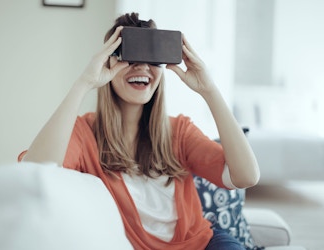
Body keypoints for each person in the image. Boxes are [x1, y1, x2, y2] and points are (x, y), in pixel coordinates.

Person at [20, 12, 260, 250]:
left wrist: (209, 89)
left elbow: (246, 176)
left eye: (152, 58)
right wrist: (84, 83)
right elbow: (36, 172)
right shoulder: (85, 134)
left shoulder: (180, 131)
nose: (143, 66)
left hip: (203, 244)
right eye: (130, 55)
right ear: (107, 62)